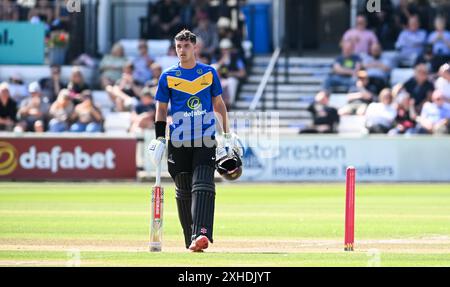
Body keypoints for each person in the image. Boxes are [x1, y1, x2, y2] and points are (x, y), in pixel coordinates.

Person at [148, 29, 241, 252]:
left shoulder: (208, 73)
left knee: (203, 184)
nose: (181, 50)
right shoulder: (168, 76)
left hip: (204, 138)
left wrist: (226, 134)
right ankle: (190, 238)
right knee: (183, 192)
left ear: (194, 47)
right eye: (178, 47)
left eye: (186, 46)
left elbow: (218, 104)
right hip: (178, 141)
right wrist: (160, 138)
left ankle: (202, 233)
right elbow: (161, 110)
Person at [212, 38, 246, 106]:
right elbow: (213, 69)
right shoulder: (217, 57)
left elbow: (243, 73)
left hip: (232, 79)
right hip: (221, 79)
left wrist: (232, 74)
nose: (225, 51)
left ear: (230, 49)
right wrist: (222, 61)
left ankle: (230, 104)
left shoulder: (236, 58)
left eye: (227, 49)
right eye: (223, 49)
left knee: (231, 81)